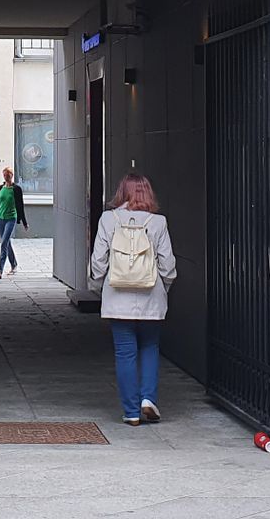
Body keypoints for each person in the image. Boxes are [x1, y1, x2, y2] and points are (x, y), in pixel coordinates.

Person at [88, 172, 177, 426]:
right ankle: (148, 398)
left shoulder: (108, 219)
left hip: (118, 296)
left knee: (125, 353)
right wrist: (164, 287)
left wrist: (98, 282)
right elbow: (167, 264)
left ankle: (131, 411)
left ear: (122, 193)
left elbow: (98, 260)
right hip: (151, 295)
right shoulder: (158, 222)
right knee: (150, 347)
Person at [0, 167, 27, 278]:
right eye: (4, 175)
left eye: (8, 175)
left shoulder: (16, 189)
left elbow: (20, 205)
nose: (6, 177)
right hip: (0, 218)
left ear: (12, 175)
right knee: (7, 242)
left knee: (4, 243)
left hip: (11, 218)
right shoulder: (0, 188)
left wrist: (24, 222)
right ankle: (14, 264)